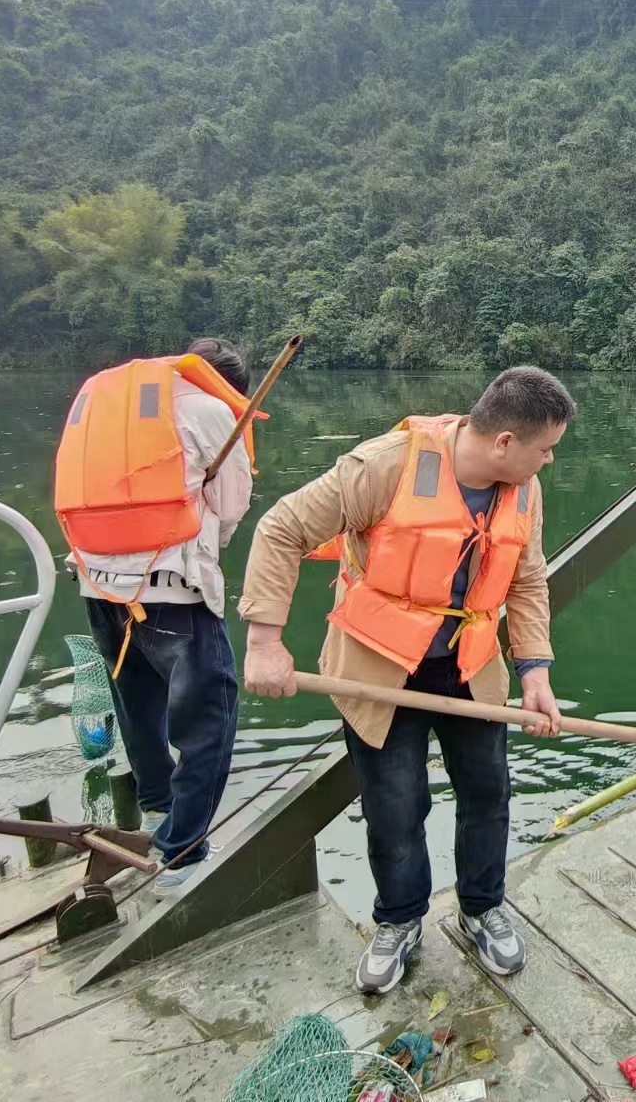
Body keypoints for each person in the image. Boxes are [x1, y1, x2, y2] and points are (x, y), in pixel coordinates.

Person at [238, 366, 573, 995]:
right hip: (380, 669)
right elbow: (281, 528)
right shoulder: (385, 466)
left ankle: (482, 906)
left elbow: (527, 580)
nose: (549, 461)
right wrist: (264, 642)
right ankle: (398, 920)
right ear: (504, 442)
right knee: (394, 807)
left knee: (487, 793)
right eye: (545, 448)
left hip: (469, 669)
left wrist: (534, 672)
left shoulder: (522, 489)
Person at [54, 337, 256, 894]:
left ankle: (155, 808)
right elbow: (234, 502)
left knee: (138, 705)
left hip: (97, 589)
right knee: (209, 721)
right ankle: (182, 850)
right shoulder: (211, 410)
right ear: (228, 388)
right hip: (172, 594)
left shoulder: (102, 403)